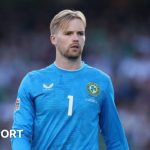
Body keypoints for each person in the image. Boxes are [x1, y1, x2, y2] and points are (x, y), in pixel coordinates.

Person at [11, 9, 129, 150]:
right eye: (68, 33)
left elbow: (116, 139)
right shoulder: (32, 81)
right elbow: (19, 132)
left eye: (80, 33)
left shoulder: (101, 81)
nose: (75, 38)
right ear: (53, 39)